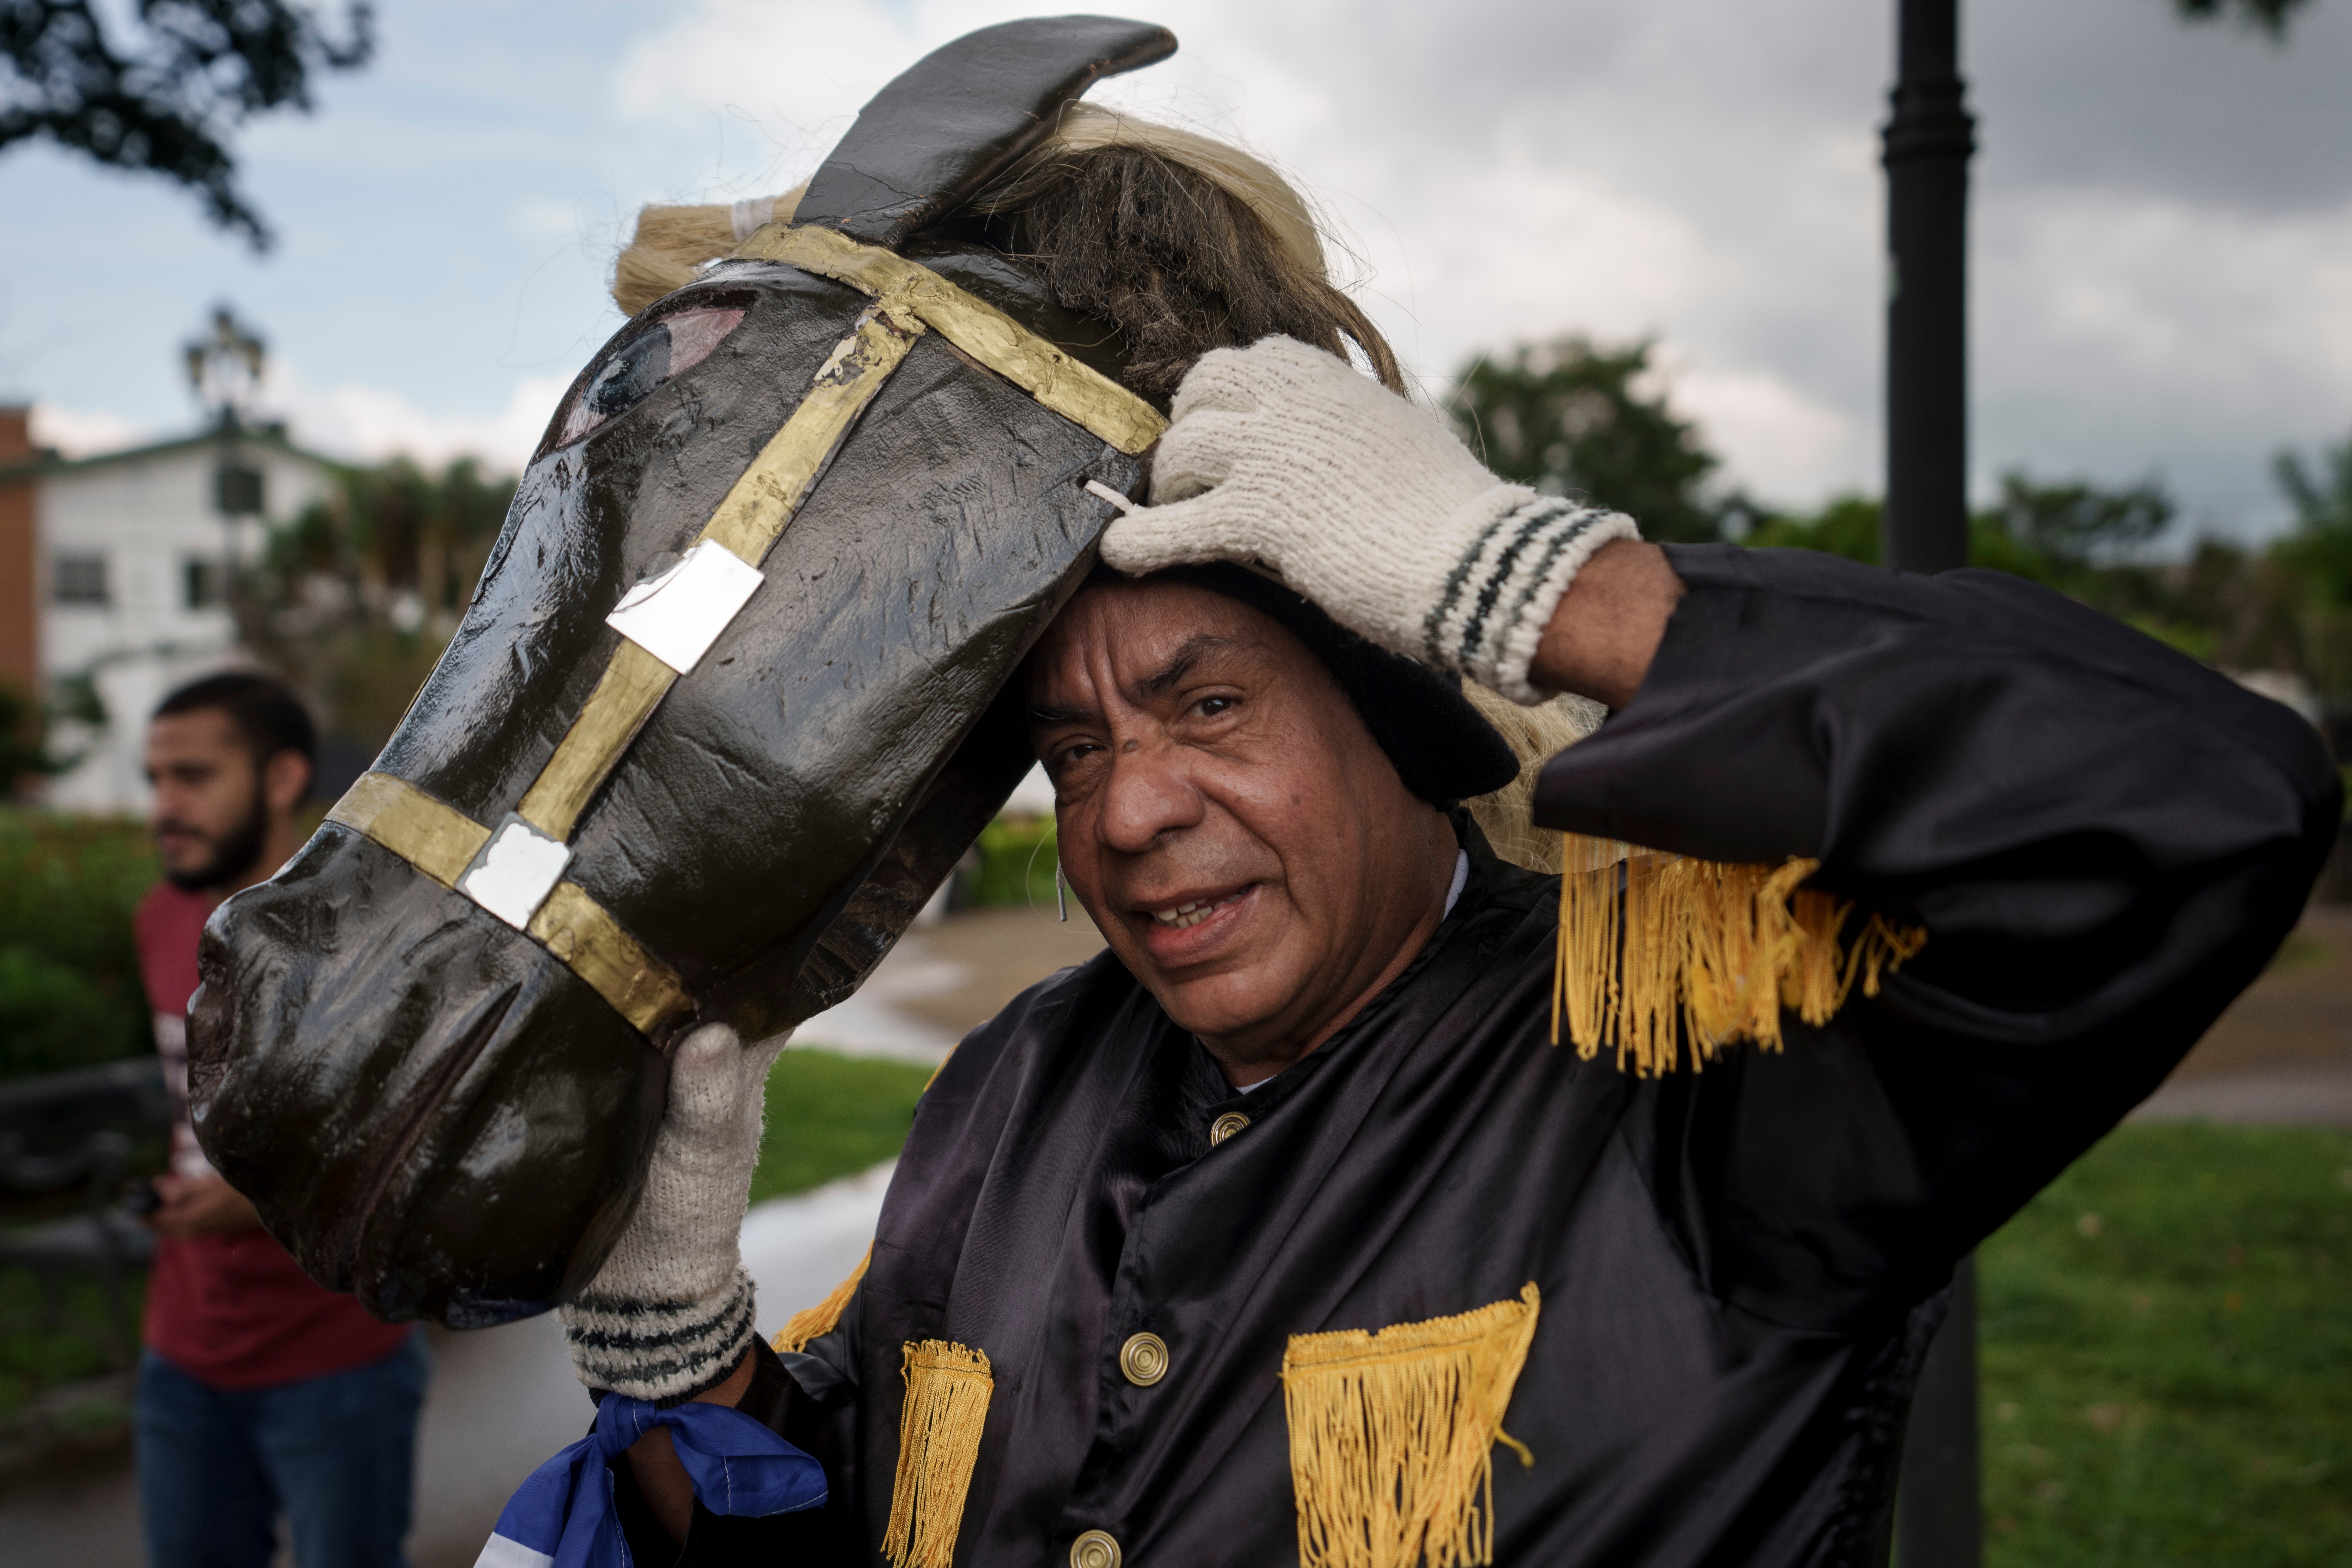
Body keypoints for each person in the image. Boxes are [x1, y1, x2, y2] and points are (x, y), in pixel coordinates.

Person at [488, 113, 2337, 1568]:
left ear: (1393, 703)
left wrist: (1543, 582)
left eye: (1210, 708)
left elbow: (2200, 805)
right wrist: (675, 1346)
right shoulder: (1012, 1086)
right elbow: (835, 1525)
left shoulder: (1693, 1067)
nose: (1126, 816)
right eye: (1071, 750)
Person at [135, 672, 426, 1568]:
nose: (166, 806)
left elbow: (417, 1140)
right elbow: (189, 1101)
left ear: (282, 779)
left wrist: (254, 1197)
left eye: (193, 776)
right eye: (155, 780)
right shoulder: (160, 918)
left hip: (334, 1365)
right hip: (180, 1355)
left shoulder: (358, 929)